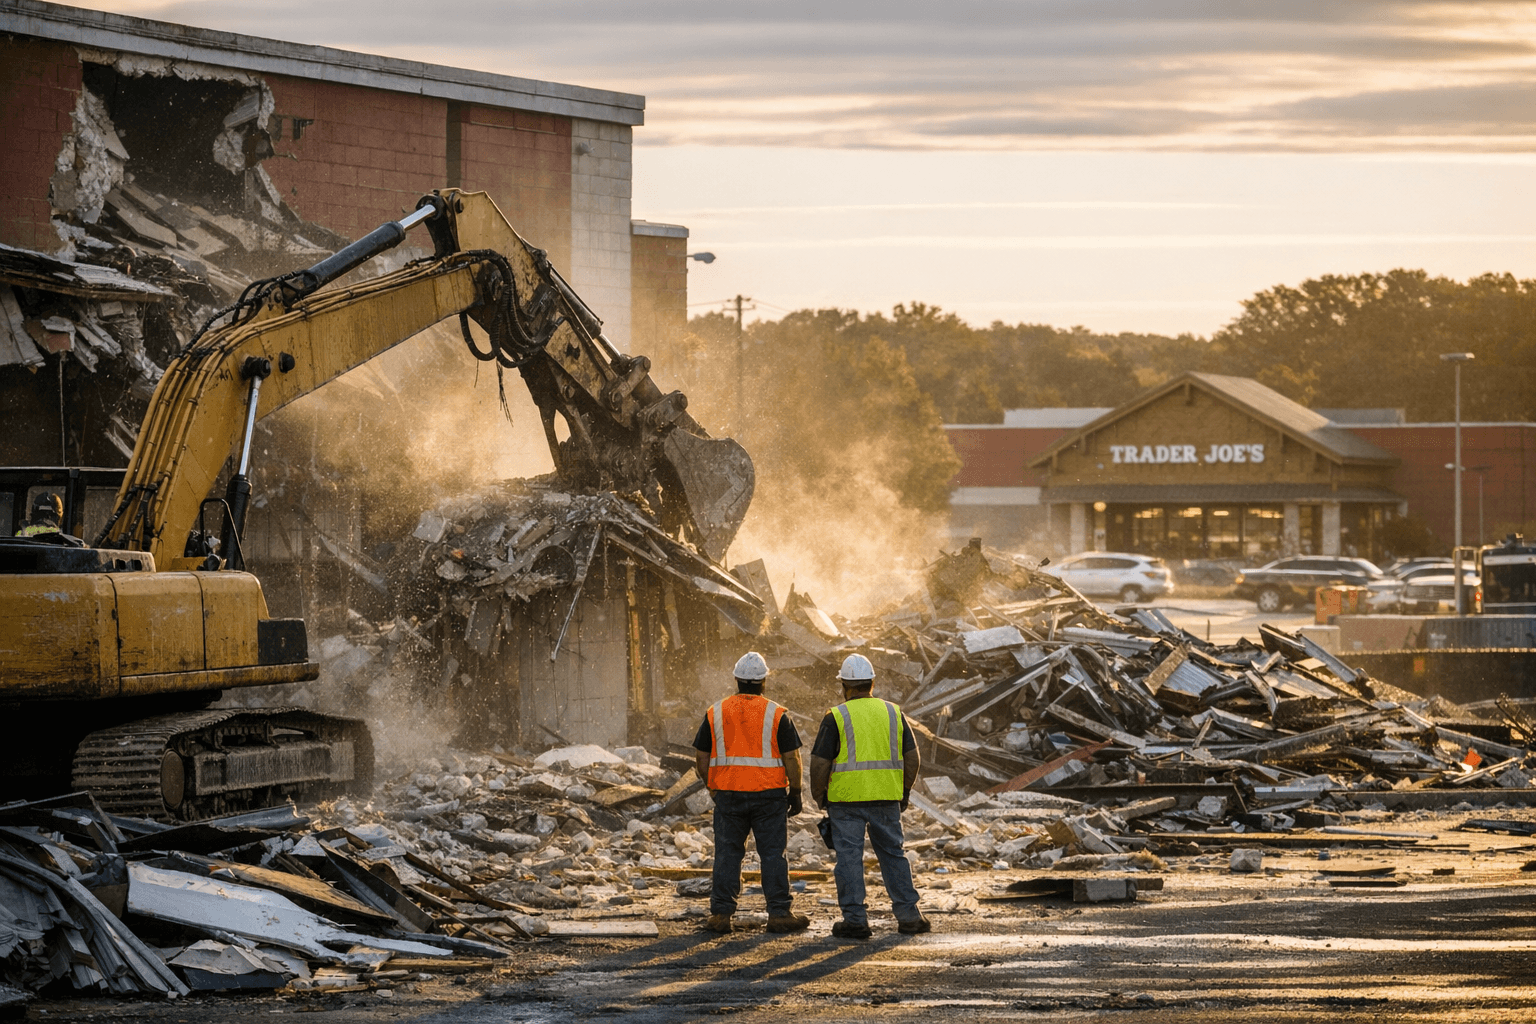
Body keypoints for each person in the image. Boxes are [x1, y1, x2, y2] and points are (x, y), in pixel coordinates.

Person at [809, 653, 929, 939]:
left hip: (845, 801)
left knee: (849, 859)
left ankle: (855, 921)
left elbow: (820, 763)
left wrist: (819, 795)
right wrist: (904, 790)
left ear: (844, 686)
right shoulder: (893, 712)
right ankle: (909, 916)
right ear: (872, 682)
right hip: (886, 798)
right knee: (893, 855)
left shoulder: (836, 716)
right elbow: (913, 758)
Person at [693, 651, 811, 935]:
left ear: (736, 680)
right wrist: (796, 792)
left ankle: (721, 915)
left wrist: (713, 787)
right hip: (769, 796)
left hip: (728, 795)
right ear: (764, 681)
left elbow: (701, 756)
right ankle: (779, 913)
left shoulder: (716, 712)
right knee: (772, 855)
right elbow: (792, 758)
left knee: (727, 854)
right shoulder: (777, 714)